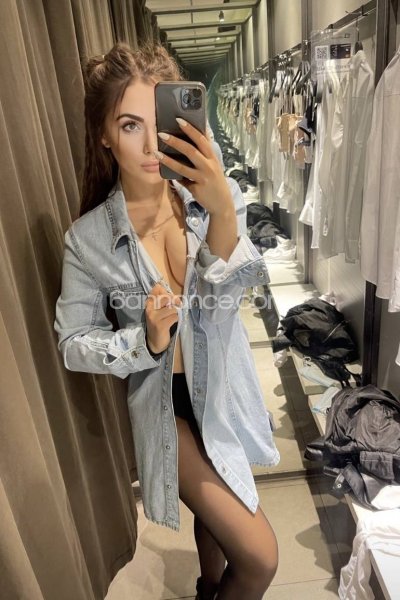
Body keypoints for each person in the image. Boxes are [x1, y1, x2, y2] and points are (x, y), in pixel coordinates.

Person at [54, 42, 280, 600]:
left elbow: (236, 290)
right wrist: (145, 339)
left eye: (158, 123)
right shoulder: (89, 240)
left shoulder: (208, 198)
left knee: (217, 525)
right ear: (104, 134)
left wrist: (221, 209)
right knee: (260, 558)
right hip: (165, 407)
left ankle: (208, 587)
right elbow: (73, 342)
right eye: (130, 125)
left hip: (222, 388)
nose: (152, 144)